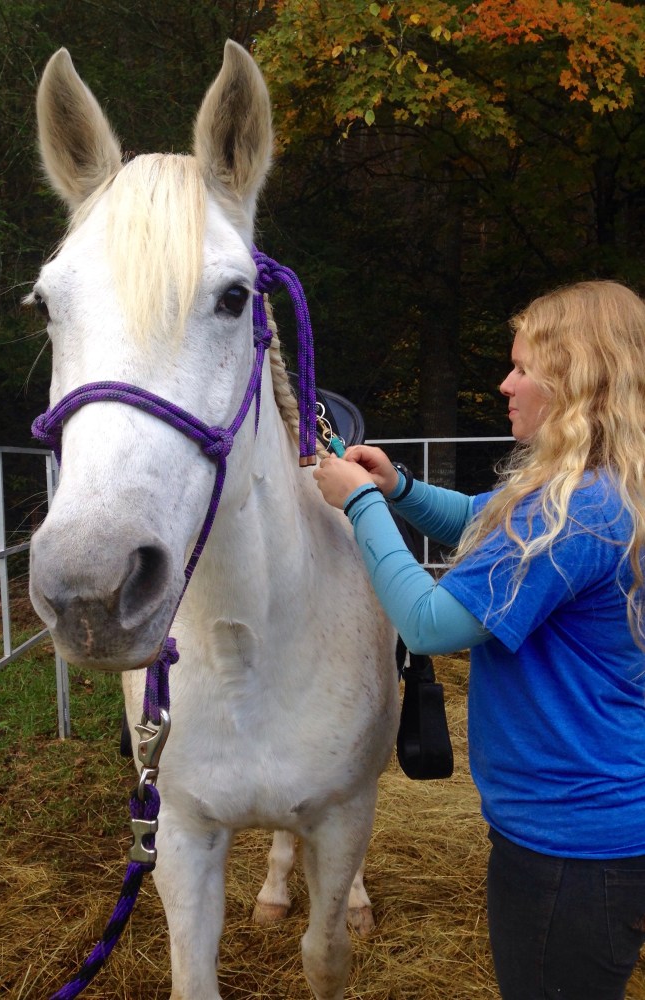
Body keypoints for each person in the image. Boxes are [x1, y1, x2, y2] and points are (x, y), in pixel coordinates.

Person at [313, 279, 645, 1000]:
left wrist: (361, 504)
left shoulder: (577, 513)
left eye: (523, 368)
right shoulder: (598, 487)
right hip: (596, 824)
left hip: (569, 843)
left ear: (577, 376)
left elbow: (432, 624)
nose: (505, 383)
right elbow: (483, 522)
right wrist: (400, 489)